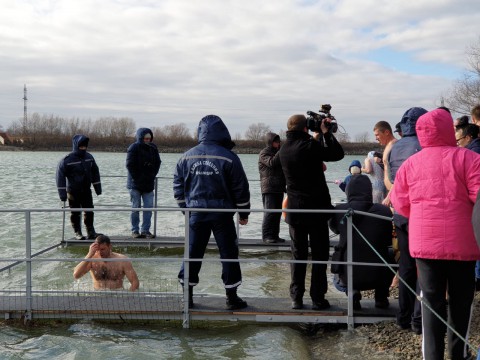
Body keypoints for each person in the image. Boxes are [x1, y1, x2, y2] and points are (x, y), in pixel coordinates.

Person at [390, 108, 480, 360]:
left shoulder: (410, 164)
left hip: (425, 246)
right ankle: (457, 353)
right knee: (462, 304)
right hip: (463, 245)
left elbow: (401, 204)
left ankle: (432, 356)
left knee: (431, 303)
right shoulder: (470, 159)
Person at [173, 115, 250, 310]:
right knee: (229, 254)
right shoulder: (229, 157)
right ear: (222, 132)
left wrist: (186, 209)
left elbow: (178, 186)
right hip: (222, 214)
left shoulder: (186, 156)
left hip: (196, 213)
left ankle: (187, 297)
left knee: (192, 253)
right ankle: (232, 298)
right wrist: (244, 212)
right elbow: (240, 187)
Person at [278, 114, 344, 310]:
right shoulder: (310, 147)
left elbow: (308, 149)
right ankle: (317, 298)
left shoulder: (283, 150)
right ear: (305, 128)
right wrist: (325, 133)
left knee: (297, 255)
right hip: (316, 210)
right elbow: (337, 154)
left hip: (295, 211)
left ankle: (296, 298)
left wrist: (316, 135)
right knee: (319, 255)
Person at [388, 107, 427, 335]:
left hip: (400, 214)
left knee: (405, 267)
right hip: (420, 214)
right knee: (423, 268)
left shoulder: (396, 147)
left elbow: (394, 179)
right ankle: (418, 319)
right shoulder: (423, 146)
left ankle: (402, 316)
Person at [329, 175, 394, 310]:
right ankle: (381, 297)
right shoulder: (384, 211)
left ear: (348, 191)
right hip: (378, 273)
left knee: (342, 253)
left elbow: (335, 228)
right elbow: (388, 238)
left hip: (349, 273)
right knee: (389, 251)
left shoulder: (339, 211)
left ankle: (352, 291)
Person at [56, 134, 102, 240]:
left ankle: (91, 232)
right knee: (75, 213)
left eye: (85, 146)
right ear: (76, 146)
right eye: (81, 146)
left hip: (86, 189)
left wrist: (98, 188)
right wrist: (62, 195)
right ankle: (78, 232)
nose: (83, 148)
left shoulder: (89, 157)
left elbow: (95, 172)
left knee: (89, 211)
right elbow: (60, 177)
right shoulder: (66, 160)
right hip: (73, 191)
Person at [126, 128, 161, 239]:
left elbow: (158, 162)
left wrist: (152, 175)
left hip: (148, 184)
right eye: (145, 138)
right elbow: (129, 165)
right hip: (134, 184)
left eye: (149, 138)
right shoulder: (133, 147)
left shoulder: (153, 147)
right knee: (135, 207)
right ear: (140, 138)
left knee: (148, 207)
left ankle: (145, 230)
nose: (148, 140)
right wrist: (138, 178)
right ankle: (135, 230)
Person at [73, 234, 139, 291]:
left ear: (110, 246)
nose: (100, 252)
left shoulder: (122, 260)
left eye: (103, 249)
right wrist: (89, 254)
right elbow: (76, 275)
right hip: (97, 293)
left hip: (117, 293)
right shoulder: (91, 260)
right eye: (98, 250)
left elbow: (135, 282)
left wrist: (127, 297)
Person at [258, 132, 286, 243]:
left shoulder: (276, 152)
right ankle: (267, 236)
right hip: (269, 187)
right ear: (270, 142)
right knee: (269, 212)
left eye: (279, 141)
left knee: (277, 212)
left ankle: (275, 235)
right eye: (276, 141)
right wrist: (281, 151)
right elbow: (272, 163)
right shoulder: (264, 153)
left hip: (278, 187)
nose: (278, 143)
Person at [372, 121, 397, 195]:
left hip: (394, 193)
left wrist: (389, 197)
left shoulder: (394, 146)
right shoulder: (389, 146)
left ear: (386, 132)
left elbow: (398, 174)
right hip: (390, 191)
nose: (376, 138)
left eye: (377, 135)